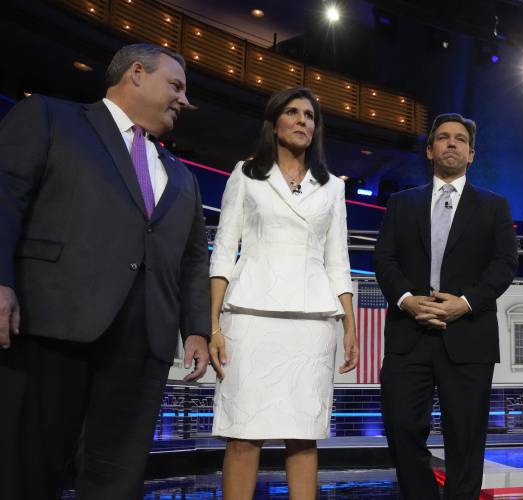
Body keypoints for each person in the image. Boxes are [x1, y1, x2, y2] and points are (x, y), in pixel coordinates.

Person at [0, 43, 210, 499]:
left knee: (117, 479)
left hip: (144, 343)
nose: (184, 100)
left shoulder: (183, 176)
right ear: (136, 73)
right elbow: (5, 198)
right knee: (28, 470)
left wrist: (197, 328)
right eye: (175, 86)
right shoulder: (49, 117)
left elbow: (194, 258)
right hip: (51, 325)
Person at [208, 86, 359, 499]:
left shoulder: (331, 187)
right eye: (292, 113)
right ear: (274, 124)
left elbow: (337, 261)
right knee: (243, 432)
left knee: (303, 435)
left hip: (312, 323)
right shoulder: (246, 173)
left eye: (309, 116)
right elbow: (224, 249)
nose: (302, 121)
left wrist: (349, 324)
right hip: (249, 316)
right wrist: (214, 324)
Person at [373, 113, 518, 499]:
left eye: (459, 139)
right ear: (429, 149)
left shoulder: (494, 206)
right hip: (409, 334)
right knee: (402, 428)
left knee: (466, 439)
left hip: (469, 334)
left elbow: (505, 264)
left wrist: (466, 303)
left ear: (472, 154)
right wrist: (407, 300)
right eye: (442, 137)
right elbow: (384, 259)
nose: (451, 143)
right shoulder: (402, 204)